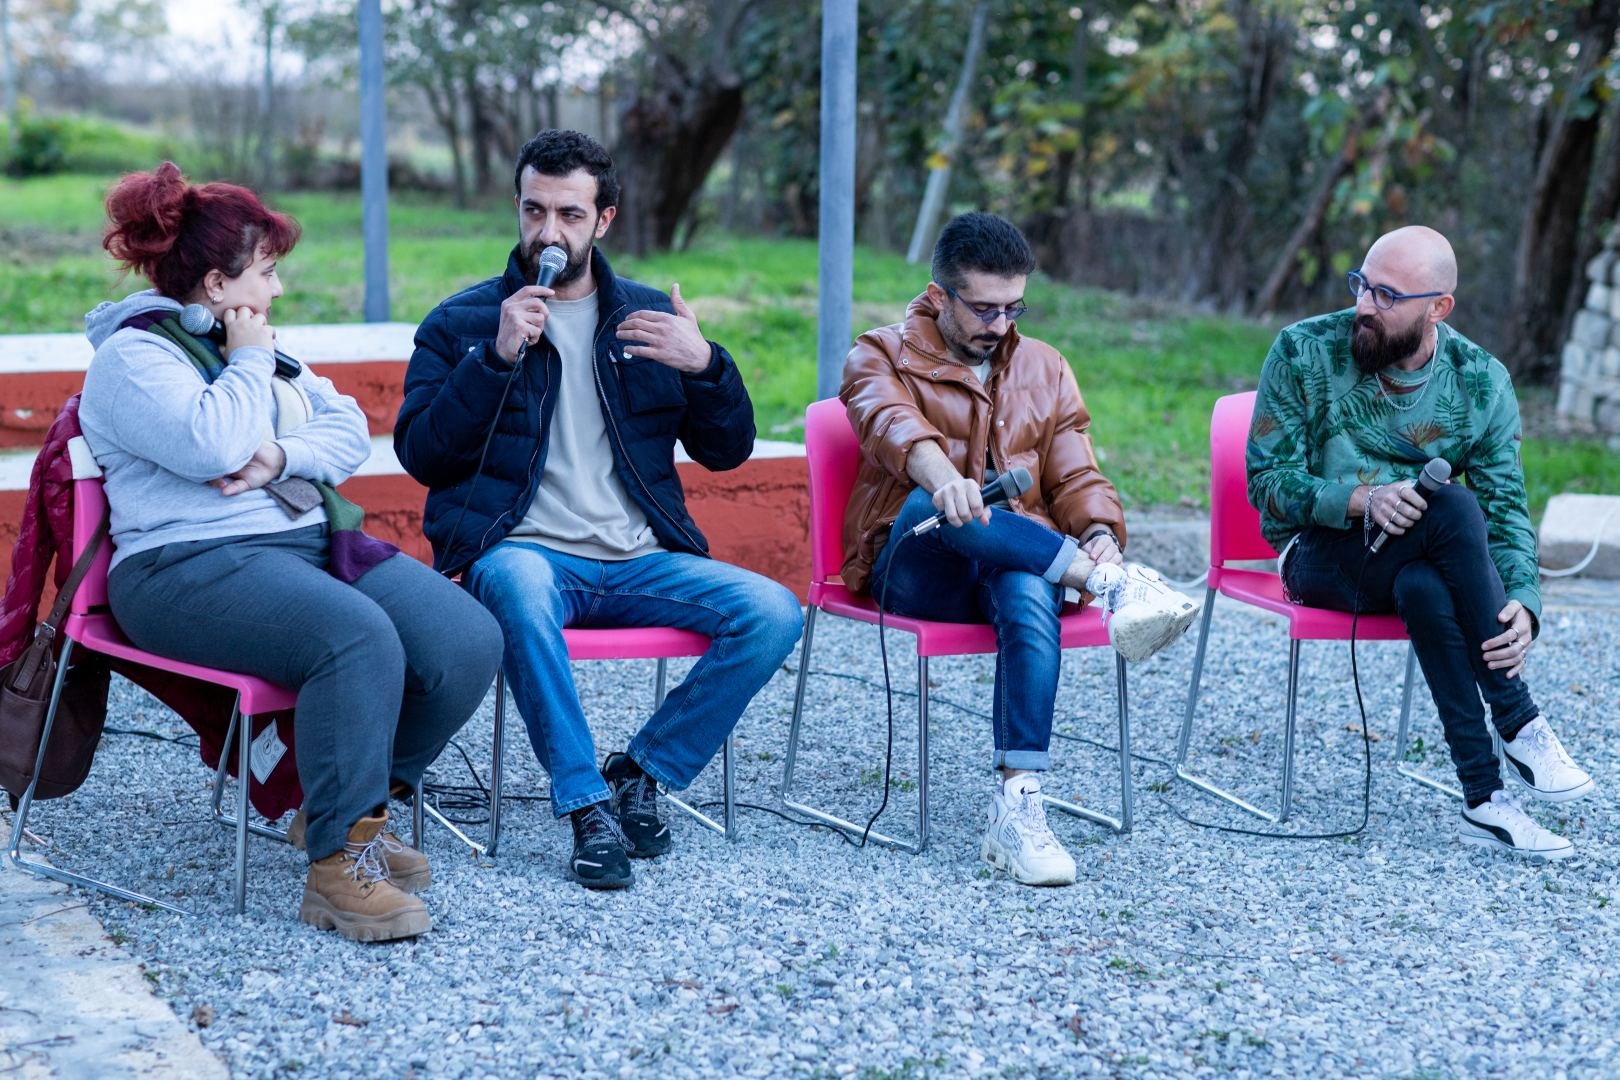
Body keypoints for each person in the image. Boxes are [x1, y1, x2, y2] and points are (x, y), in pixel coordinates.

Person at [78, 163, 504, 940]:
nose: (276, 289)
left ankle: (347, 807)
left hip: (301, 541)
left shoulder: (259, 348)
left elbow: (347, 429)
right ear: (217, 284)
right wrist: (247, 364)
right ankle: (338, 872)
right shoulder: (134, 360)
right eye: (266, 271)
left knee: (465, 637)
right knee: (356, 637)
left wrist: (277, 457)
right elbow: (212, 444)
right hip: (182, 569)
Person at [396, 129, 802, 891]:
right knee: (516, 587)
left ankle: (641, 773)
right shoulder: (464, 322)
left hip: (641, 556)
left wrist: (706, 365)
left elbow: (728, 452)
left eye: (570, 215)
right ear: (517, 209)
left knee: (774, 612)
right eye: (534, 210)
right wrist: (494, 358)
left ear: (604, 220)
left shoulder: (647, 318)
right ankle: (586, 805)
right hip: (525, 551)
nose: (548, 232)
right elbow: (423, 454)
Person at [840, 212, 1202, 887]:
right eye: (984, 308)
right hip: (916, 565)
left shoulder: (1045, 366)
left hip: (1019, 559)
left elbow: (1075, 475)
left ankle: (1018, 802)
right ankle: (1109, 586)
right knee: (938, 507)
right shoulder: (879, 354)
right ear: (940, 295)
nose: (1001, 324)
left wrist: (1100, 533)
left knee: (1028, 582)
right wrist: (946, 481)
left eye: (1014, 308)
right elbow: (893, 425)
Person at [1248, 225, 1595, 860]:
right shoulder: (1303, 350)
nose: (1364, 305)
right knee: (1454, 506)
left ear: (1438, 308)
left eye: (1387, 295)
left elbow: (1506, 508)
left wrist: (1524, 600)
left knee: (1427, 584)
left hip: (1413, 562)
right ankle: (1518, 718)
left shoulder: (1480, 380)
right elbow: (1266, 483)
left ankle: (1484, 797)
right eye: (1362, 285)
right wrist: (1363, 499)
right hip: (1318, 555)